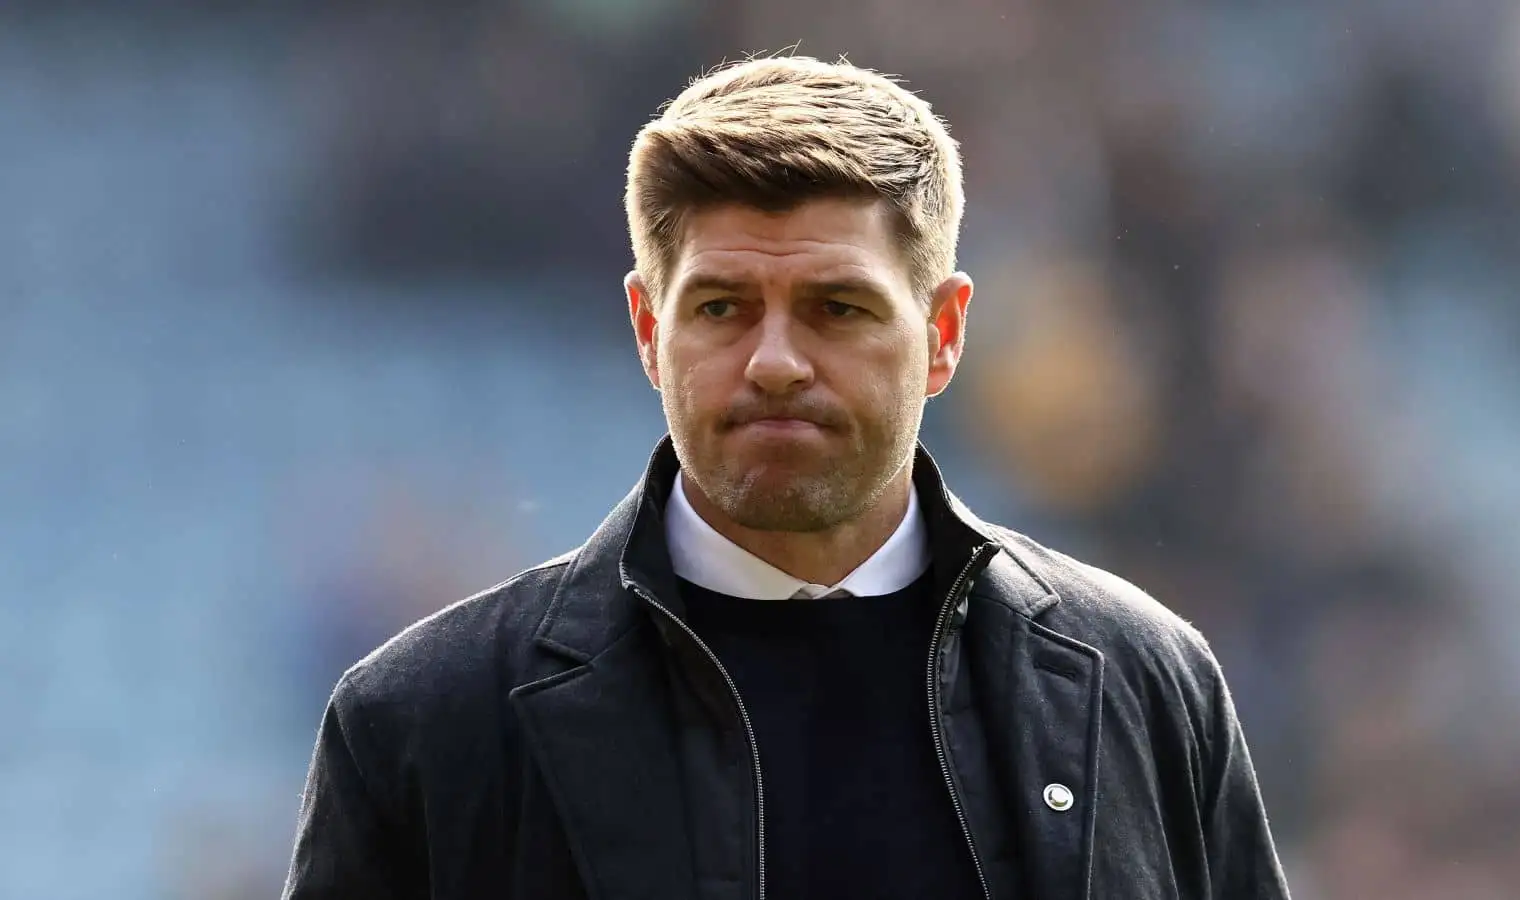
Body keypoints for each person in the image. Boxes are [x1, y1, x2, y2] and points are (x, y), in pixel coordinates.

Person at [281, 55, 1292, 900]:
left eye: (836, 309)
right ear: (647, 329)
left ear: (941, 335)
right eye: (721, 307)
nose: (773, 360)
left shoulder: (1145, 683)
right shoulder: (424, 725)